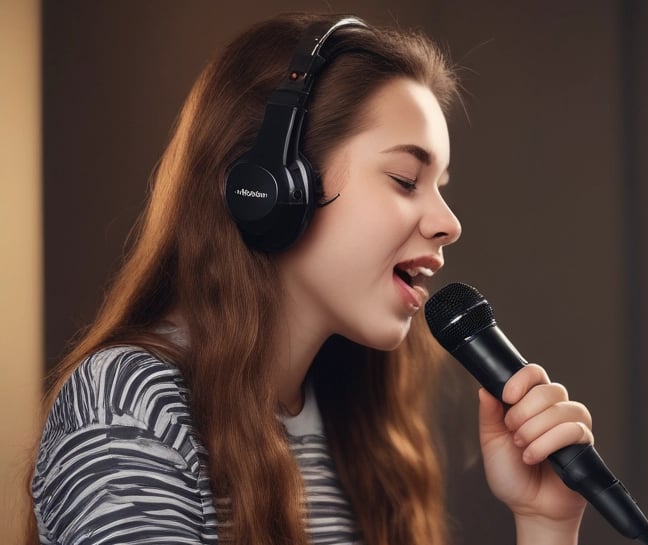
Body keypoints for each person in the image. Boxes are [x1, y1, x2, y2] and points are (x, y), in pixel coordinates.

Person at [27, 13, 595, 545]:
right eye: (405, 179)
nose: (448, 223)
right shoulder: (127, 405)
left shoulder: (357, 424)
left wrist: (543, 524)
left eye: (441, 185)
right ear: (270, 190)